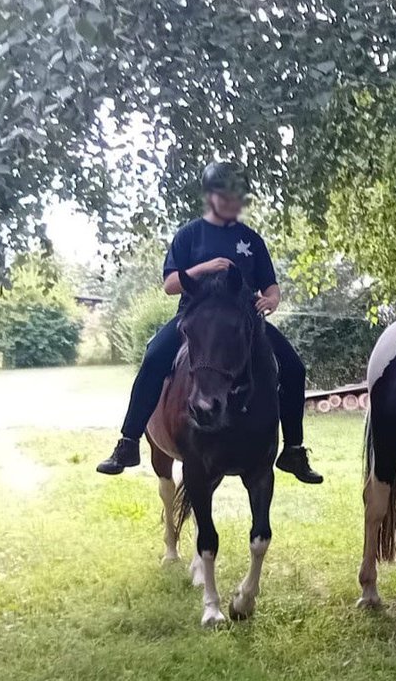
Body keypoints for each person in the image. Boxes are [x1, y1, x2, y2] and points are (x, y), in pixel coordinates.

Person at [96, 161, 323, 484]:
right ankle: (129, 441)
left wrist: (272, 300)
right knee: (154, 356)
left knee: (293, 367)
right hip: (196, 319)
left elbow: (270, 286)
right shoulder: (190, 235)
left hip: (244, 323)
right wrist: (205, 267)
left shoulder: (251, 240)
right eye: (227, 196)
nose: (234, 203)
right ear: (211, 196)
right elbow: (170, 284)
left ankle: (294, 450)